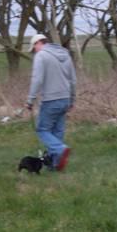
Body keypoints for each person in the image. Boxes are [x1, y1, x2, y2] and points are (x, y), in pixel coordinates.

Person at [25, 33, 76, 172]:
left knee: (42, 130)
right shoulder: (66, 54)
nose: (34, 51)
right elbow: (73, 80)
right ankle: (54, 166)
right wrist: (72, 99)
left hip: (50, 99)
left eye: (33, 48)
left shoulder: (41, 55)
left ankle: (61, 149)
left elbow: (37, 80)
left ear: (38, 43)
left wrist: (30, 100)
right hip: (65, 98)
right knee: (57, 132)